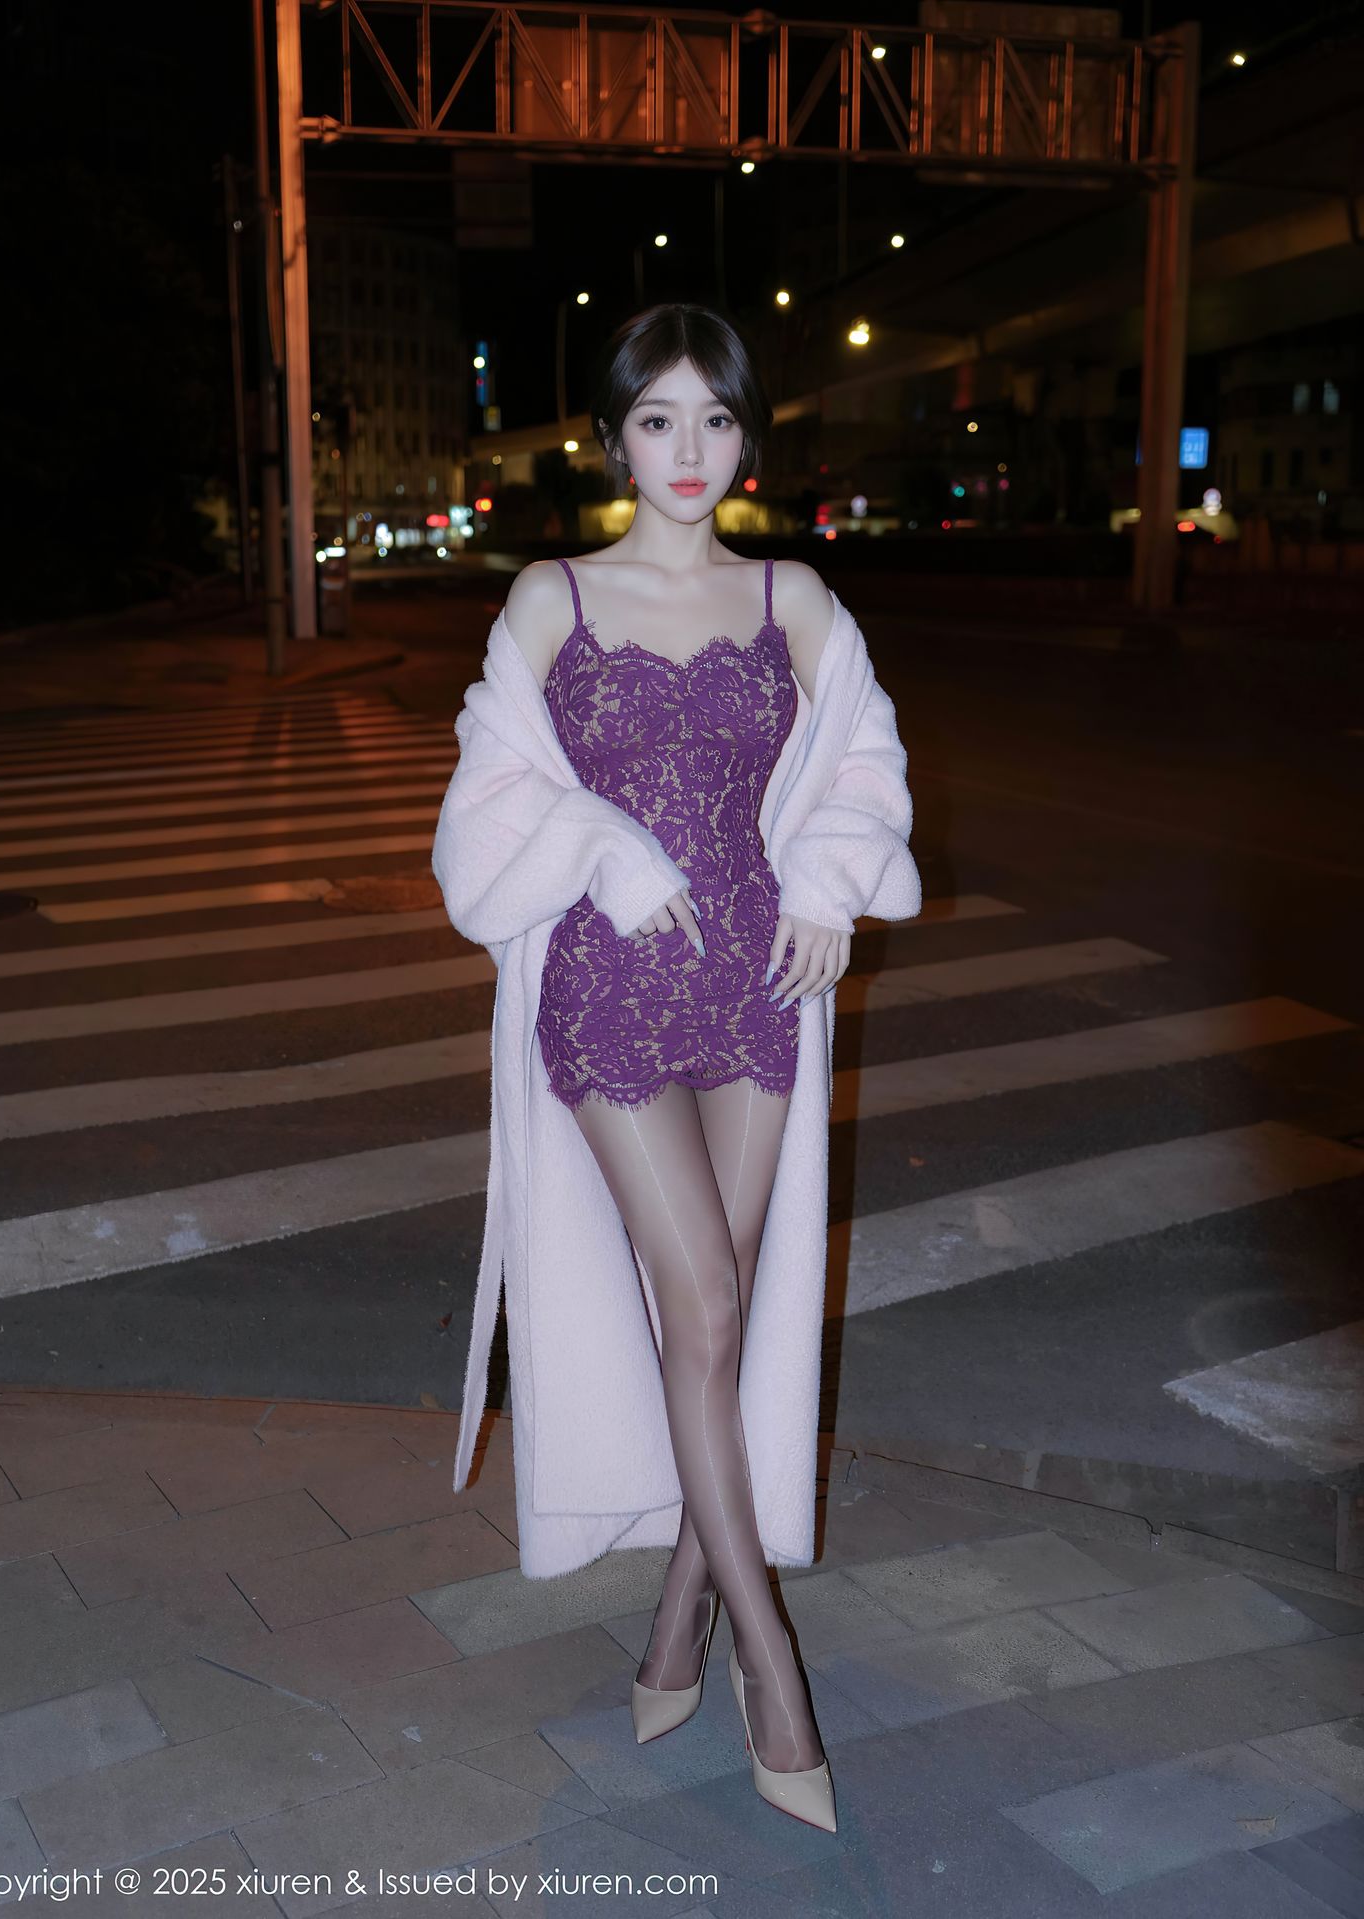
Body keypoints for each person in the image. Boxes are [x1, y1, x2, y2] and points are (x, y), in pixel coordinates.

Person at [433, 302, 922, 1836]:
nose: (689, 449)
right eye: (659, 419)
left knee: (730, 1316)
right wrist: (601, 842)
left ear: (748, 435)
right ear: (613, 438)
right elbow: (480, 814)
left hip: (760, 989)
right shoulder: (550, 599)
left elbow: (865, 766)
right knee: (701, 1301)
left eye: (716, 417)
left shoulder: (794, 600)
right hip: (610, 994)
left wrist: (829, 882)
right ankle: (772, 1669)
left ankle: (674, 1626)